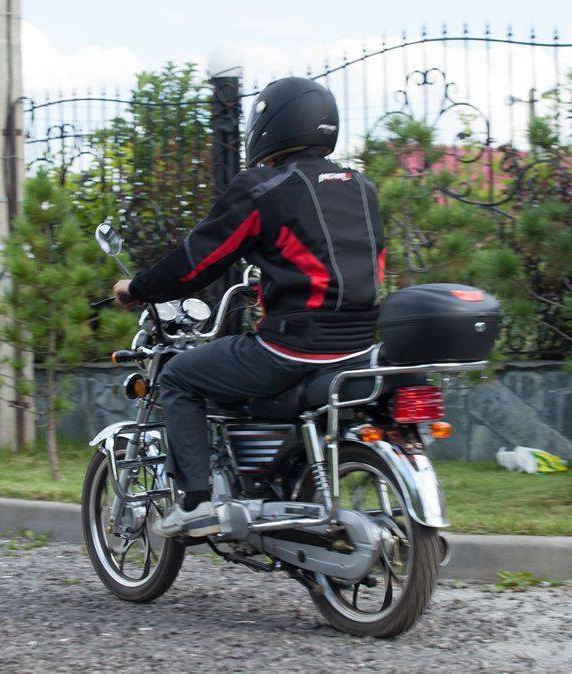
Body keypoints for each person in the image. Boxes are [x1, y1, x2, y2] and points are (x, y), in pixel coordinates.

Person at [112, 77, 386, 537]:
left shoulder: (265, 187)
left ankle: (196, 502)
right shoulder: (361, 187)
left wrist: (138, 287)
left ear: (268, 126)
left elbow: (197, 262)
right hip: (359, 347)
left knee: (179, 376)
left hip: (291, 349)